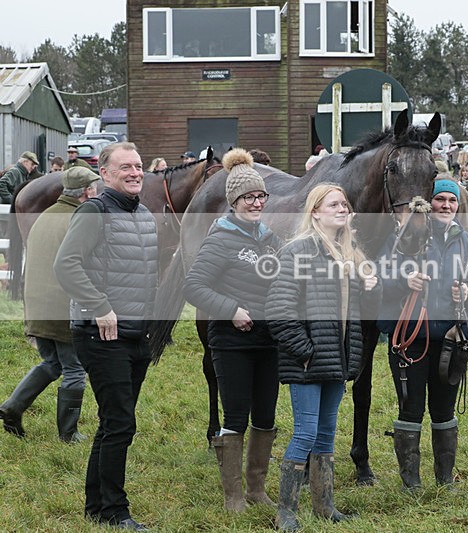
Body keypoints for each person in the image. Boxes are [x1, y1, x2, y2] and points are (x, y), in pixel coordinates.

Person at [54, 142, 159, 531]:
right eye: (126, 167)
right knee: (120, 423)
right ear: (106, 173)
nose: (135, 172)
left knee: (113, 422)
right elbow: (66, 265)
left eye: (139, 165)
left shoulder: (145, 215)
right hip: (101, 334)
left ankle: (96, 505)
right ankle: (115, 510)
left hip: (135, 334)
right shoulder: (93, 210)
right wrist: (99, 306)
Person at [268, 183, 381, 531]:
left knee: (327, 433)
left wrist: (350, 354)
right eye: (333, 204)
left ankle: (324, 505)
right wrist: (306, 350)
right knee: (304, 432)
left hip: (337, 359)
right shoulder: (298, 251)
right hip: (308, 360)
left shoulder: (347, 254)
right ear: (315, 211)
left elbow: (355, 316)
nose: (341, 209)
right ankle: (285, 511)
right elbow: (278, 310)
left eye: (344, 204)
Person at [377, 178, 468, 490]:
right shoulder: (404, 239)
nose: (446, 206)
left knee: (444, 408)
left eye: (451, 201)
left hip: (452, 341)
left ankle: (444, 479)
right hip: (410, 340)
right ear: (429, 203)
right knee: (411, 407)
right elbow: (379, 278)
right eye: (440, 199)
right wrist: (406, 281)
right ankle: (410, 482)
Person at [184, 148, 282, 513]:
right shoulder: (219, 239)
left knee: (267, 417)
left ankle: (257, 489)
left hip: (268, 342)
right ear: (234, 201)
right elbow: (193, 286)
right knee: (236, 416)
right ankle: (233, 495)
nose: (256, 203)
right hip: (232, 342)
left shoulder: (270, 239)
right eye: (248, 197)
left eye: (260, 196)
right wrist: (231, 310)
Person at [0, 167, 99, 441]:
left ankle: (12, 406)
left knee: (52, 362)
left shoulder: (44, 215)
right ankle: (69, 434)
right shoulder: (79, 218)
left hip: (36, 308)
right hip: (61, 308)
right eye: (95, 188)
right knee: (75, 370)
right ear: (87, 192)